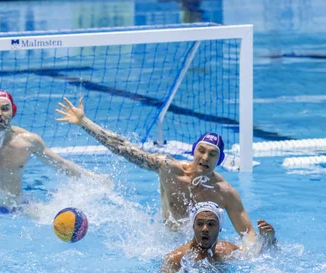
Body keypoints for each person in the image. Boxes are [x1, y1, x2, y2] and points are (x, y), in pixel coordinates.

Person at [56, 97, 257, 243]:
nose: (205, 158)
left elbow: (248, 234)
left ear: (220, 159)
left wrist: (247, 254)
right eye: (201, 151)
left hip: (203, 247)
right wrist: (84, 123)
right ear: (194, 151)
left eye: (212, 154)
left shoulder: (225, 192)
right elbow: (124, 148)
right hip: (164, 243)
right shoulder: (169, 169)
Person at [160, 202, 277, 273]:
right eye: (200, 224)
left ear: (219, 228)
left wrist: (268, 239)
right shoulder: (176, 258)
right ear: (193, 226)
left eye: (211, 224)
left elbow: (255, 258)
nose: (205, 229)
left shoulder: (226, 250)